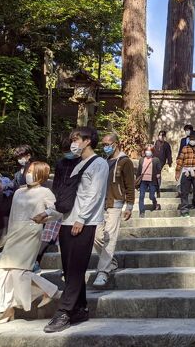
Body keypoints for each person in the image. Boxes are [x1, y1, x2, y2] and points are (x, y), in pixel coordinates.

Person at [45, 126, 109, 333]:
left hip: (84, 223)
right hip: (66, 221)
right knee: (70, 268)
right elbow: (69, 197)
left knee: (76, 269)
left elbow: (95, 194)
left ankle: (63, 312)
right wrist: (50, 215)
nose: (73, 143)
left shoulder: (99, 163)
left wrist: (81, 219)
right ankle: (79, 309)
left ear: (88, 140)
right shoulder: (75, 164)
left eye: (76, 139)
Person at [0, 162, 63, 323]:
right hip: (14, 234)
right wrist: (6, 235)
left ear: (41, 175)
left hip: (31, 232)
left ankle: (48, 291)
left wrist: (45, 214)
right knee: (3, 273)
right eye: (29, 171)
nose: (29, 173)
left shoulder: (45, 192)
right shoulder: (19, 192)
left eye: (33, 171)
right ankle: (8, 308)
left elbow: (58, 211)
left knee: (19, 271)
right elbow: (13, 215)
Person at [91, 133, 135, 288]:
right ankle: (112, 261)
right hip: (100, 205)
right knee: (96, 235)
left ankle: (103, 271)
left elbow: (130, 185)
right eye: (103, 144)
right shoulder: (102, 162)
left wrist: (129, 206)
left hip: (116, 204)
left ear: (116, 143)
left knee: (109, 237)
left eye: (108, 143)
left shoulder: (125, 162)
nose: (105, 147)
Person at [34, 139, 79, 273]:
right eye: (64, 152)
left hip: (75, 204)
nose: (67, 154)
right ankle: (37, 259)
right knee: (49, 232)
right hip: (60, 203)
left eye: (68, 151)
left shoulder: (82, 163)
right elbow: (57, 184)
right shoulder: (60, 163)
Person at [137, 145, 162, 218]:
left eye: (149, 150)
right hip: (143, 180)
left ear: (152, 151)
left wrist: (158, 174)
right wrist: (137, 181)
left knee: (151, 196)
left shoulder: (156, 159)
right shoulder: (141, 159)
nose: (148, 152)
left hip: (152, 180)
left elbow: (159, 169)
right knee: (141, 196)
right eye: (146, 150)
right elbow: (139, 170)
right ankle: (141, 212)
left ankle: (155, 203)